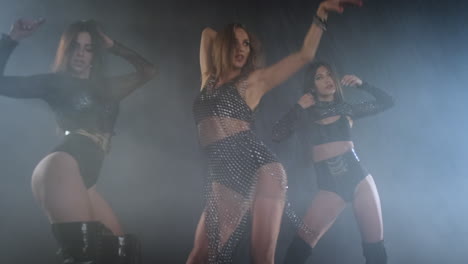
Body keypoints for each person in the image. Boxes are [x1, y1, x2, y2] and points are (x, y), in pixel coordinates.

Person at [188, 1, 362, 263]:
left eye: (246, 44)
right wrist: (230, 38)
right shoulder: (208, 77)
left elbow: (304, 55)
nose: (241, 49)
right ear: (223, 45)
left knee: (260, 258)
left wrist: (322, 12)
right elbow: (207, 34)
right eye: (235, 42)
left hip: (258, 167)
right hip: (222, 171)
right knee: (202, 254)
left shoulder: (254, 81)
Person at [0, 18, 157, 263]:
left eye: (88, 47)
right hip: (62, 168)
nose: (80, 53)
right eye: (75, 46)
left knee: (121, 252)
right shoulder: (54, 83)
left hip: (86, 180)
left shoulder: (109, 87)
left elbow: (149, 72)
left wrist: (113, 45)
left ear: (95, 53)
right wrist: (11, 40)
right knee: (84, 257)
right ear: (66, 49)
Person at [272, 61, 394, 264]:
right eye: (319, 77)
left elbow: (388, 101)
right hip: (330, 186)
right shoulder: (305, 113)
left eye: (329, 75)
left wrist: (362, 85)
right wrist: (298, 107)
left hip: (359, 179)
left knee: (375, 253)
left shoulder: (346, 109)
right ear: (312, 86)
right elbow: (277, 134)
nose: (327, 80)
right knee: (297, 250)